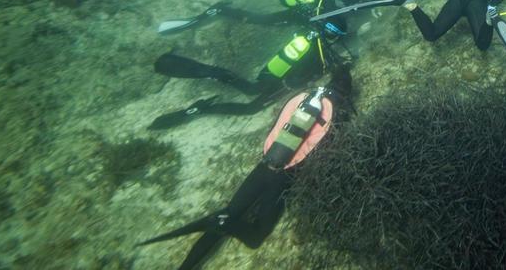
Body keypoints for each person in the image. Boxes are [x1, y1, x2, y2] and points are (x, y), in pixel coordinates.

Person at [139, 66, 353, 268]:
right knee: (255, 237)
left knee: (230, 213)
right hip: (282, 178)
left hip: (263, 165)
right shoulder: (337, 112)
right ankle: (222, 223)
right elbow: (324, 150)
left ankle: (187, 265)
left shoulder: (303, 96)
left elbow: (278, 123)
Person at [148, 0, 366, 129]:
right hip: (304, 43)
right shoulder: (334, 26)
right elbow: (335, 46)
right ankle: (206, 92)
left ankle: (226, 5)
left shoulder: (319, 1)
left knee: (262, 19)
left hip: (301, 24)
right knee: (252, 103)